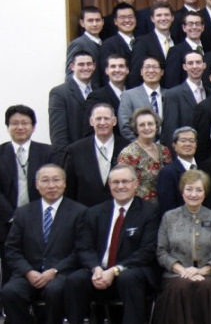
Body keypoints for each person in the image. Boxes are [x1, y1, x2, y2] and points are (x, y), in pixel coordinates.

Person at [66, 164, 161, 324]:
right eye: (115, 182)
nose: (120, 186)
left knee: (128, 278)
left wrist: (115, 270)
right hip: (99, 272)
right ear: (109, 185)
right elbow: (84, 247)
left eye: (125, 181)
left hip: (131, 271)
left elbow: (147, 250)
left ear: (135, 184)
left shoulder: (149, 212)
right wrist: (96, 268)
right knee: (75, 280)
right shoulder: (94, 212)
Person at [0, 164, 86, 324]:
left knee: (55, 290)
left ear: (65, 183)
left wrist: (55, 270)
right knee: (9, 292)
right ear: (37, 185)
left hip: (61, 273)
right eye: (45, 181)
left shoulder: (79, 212)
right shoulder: (23, 212)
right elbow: (12, 249)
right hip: (29, 273)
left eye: (56, 180)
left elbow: (81, 250)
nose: (51, 185)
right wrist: (28, 271)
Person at [153, 170, 211, 324]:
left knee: (205, 286)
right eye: (189, 189)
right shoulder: (169, 217)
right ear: (182, 191)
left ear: (205, 193)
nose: (193, 194)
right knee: (180, 286)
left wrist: (203, 270)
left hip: (209, 274)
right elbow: (161, 252)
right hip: (176, 274)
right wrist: (183, 271)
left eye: (199, 190)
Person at [0, 105, 57, 265]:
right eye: (14, 123)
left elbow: (54, 186)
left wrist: (34, 215)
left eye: (25, 123)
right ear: (8, 127)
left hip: (41, 219)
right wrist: (12, 216)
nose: (20, 127)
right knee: (10, 270)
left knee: (41, 266)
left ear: (33, 127)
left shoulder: (48, 152)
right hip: (6, 222)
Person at [63, 103, 125, 207]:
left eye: (106, 118)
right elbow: (69, 189)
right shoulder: (75, 150)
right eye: (98, 119)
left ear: (114, 121)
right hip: (85, 213)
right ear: (91, 121)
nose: (102, 122)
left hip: (119, 211)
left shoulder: (127, 147)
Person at [117, 108, 173, 204]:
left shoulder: (164, 151)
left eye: (150, 124)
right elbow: (123, 185)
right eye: (142, 125)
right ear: (136, 129)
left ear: (156, 126)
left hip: (164, 206)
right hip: (141, 209)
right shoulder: (128, 153)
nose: (147, 128)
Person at [50, 51, 97, 153]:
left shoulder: (99, 90)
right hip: (72, 156)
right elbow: (58, 135)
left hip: (96, 155)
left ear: (94, 66)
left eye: (89, 64)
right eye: (81, 64)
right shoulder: (59, 93)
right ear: (72, 66)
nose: (85, 68)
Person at [160, 51, 205, 145]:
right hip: (184, 150)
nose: (195, 66)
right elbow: (170, 131)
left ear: (204, 65)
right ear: (184, 67)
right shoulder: (173, 94)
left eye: (198, 62)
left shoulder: (210, 93)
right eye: (190, 63)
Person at [119, 56, 166, 141]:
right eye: (147, 67)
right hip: (139, 149)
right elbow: (125, 127)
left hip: (167, 149)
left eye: (155, 67)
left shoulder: (170, 95)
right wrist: (142, 146)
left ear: (162, 72)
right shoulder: (129, 95)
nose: (151, 70)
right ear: (141, 72)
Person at [129, 3, 174, 88]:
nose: (163, 18)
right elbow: (135, 73)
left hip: (173, 94)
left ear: (172, 18)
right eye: (159, 15)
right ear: (152, 19)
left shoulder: (177, 40)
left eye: (166, 15)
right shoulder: (143, 42)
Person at [157, 127, 199, 212]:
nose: (187, 144)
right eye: (183, 141)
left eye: (191, 141)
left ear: (196, 144)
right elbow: (167, 208)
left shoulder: (205, 168)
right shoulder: (167, 173)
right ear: (174, 145)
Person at [66, 6, 104, 88]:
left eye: (98, 20)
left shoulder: (104, 43)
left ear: (103, 22)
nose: (95, 24)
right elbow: (70, 74)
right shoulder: (78, 43)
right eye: (90, 21)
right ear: (82, 23)